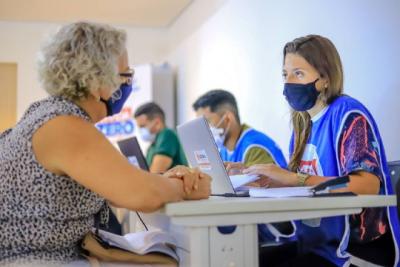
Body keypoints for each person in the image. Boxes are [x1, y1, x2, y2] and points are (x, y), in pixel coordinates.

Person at [0, 21, 211, 265]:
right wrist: (186, 187)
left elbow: (122, 186)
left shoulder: (48, 115)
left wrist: (164, 181)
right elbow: (142, 194)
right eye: (125, 74)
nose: (128, 82)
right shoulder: (64, 125)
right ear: (97, 78)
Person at [234, 35, 400, 266]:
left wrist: (295, 178)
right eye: (285, 74)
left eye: (298, 73)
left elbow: (366, 185)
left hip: (352, 251)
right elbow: (302, 184)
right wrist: (251, 173)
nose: (288, 82)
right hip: (317, 243)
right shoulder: (303, 125)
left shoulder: (348, 114)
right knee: (245, 259)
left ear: (324, 78)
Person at [192, 89, 287, 179]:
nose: (203, 130)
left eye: (206, 122)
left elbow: (257, 189)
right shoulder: (223, 149)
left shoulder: (254, 147)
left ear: (228, 119)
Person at [134, 102, 188, 173]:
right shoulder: (151, 147)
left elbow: (155, 174)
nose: (141, 131)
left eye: (143, 126)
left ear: (157, 123)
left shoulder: (167, 135)